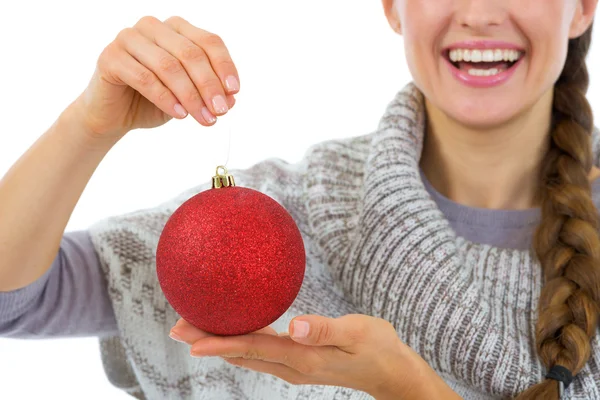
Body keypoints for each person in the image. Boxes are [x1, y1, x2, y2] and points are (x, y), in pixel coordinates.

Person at [1, 0, 599, 399]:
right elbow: (15, 301)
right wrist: (87, 124)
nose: (478, 14)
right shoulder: (274, 218)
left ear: (584, 7)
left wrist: (409, 387)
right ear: (393, 6)